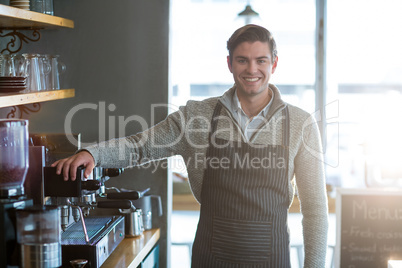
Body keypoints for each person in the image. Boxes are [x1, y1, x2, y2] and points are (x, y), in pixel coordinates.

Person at [53, 24, 329, 267]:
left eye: (261, 60)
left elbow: (315, 209)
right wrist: (93, 153)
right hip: (211, 257)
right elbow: (141, 146)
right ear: (230, 63)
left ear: (274, 64)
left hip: (273, 259)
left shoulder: (300, 123)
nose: (252, 69)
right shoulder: (198, 116)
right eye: (243, 60)